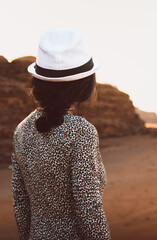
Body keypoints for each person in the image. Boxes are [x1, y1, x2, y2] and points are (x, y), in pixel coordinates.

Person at [11, 29, 111, 239]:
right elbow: (88, 208)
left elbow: (20, 201)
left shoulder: (21, 130)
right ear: (84, 85)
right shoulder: (81, 132)